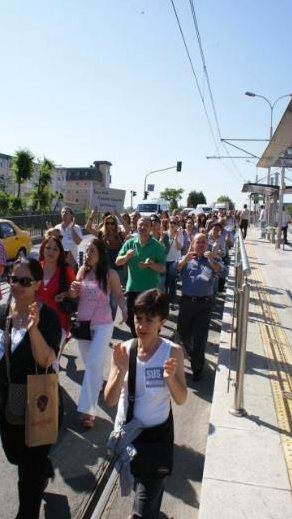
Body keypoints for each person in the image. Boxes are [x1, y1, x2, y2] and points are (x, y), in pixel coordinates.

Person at [104, 289, 187, 519]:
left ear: (162, 322)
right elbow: (110, 399)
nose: (141, 326)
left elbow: (181, 399)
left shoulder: (173, 353)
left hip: (156, 440)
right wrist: (120, 372)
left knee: (140, 512)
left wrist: (170, 379)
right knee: (143, 497)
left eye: (149, 320)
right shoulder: (124, 350)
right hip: (128, 439)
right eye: (138, 318)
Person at [0, 257, 62, 518]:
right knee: (14, 456)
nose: (17, 285)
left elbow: (47, 360)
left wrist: (33, 330)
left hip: (37, 403)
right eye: (13, 279)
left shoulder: (48, 317)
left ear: (37, 284)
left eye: (24, 281)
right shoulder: (2, 312)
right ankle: (43, 469)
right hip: (7, 402)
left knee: (28, 474)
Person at [70, 239, 127, 428]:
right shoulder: (82, 271)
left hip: (103, 324)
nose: (88, 254)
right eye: (86, 251)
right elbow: (74, 295)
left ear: (100, 254)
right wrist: (73, 291)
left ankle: (87, 410)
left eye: (92, 250)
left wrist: (125, 310)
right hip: (83, 325)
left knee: (93, 364)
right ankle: (102, 384)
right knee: (91, 364)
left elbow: (119, 296)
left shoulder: (110, 274)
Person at [174, 233, 223, 380]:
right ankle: (191, 353)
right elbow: (172, 270)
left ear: (207, 243)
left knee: (200, 338)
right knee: (183, 334)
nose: (201, 245)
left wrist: (211, 259)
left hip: (204, 304)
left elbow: (222, 271)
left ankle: (197, 368)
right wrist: (184, 261)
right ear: (193, 244)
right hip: (187, 302)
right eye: (198, 242)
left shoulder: (213, 258)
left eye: (203, 242)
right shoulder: (187, 257)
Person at [116, 216, 166, 337]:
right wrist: (127, 257)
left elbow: (163, 268)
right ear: (136, 226)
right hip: (132, 289)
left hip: (150, 291)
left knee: (150, 320)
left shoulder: (157, 246)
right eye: (140, 225)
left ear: (150, 228)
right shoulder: (129, 244)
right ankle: (138, 341)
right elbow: (118, 262)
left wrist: (151, 264)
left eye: (146, 225)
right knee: (131, 320)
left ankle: (151, 343)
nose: (142, 227)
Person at [36, 236, 76, 344]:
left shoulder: (65, 269)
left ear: (60, 252)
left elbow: (76, 292)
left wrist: (65, 294)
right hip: (36, 321)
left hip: (58, 322)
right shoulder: (35, 268)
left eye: (55, 249)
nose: (51, 251)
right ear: (42, 249)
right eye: (48, 248)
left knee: (53, 358)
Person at [54, 207, 83, 271]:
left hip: (71, 262)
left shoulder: (76, 227)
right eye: (63, 212)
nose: (64, 213)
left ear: (71, 215)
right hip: (59, 261)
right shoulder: (57, 227)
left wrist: (72, 229)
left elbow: (78, 242)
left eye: (66, 212)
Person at [165, 218, 183, 309]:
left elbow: (179, 248)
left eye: (174, 223)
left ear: (177, 224)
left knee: (172, 282)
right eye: (171, 222)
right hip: (164, 260)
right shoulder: (165, 233)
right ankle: (164, 301)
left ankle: (171, 301)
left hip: (174, 261)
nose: (172, 224)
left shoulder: (180, 233)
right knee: (164, 282)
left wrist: (175, 238)